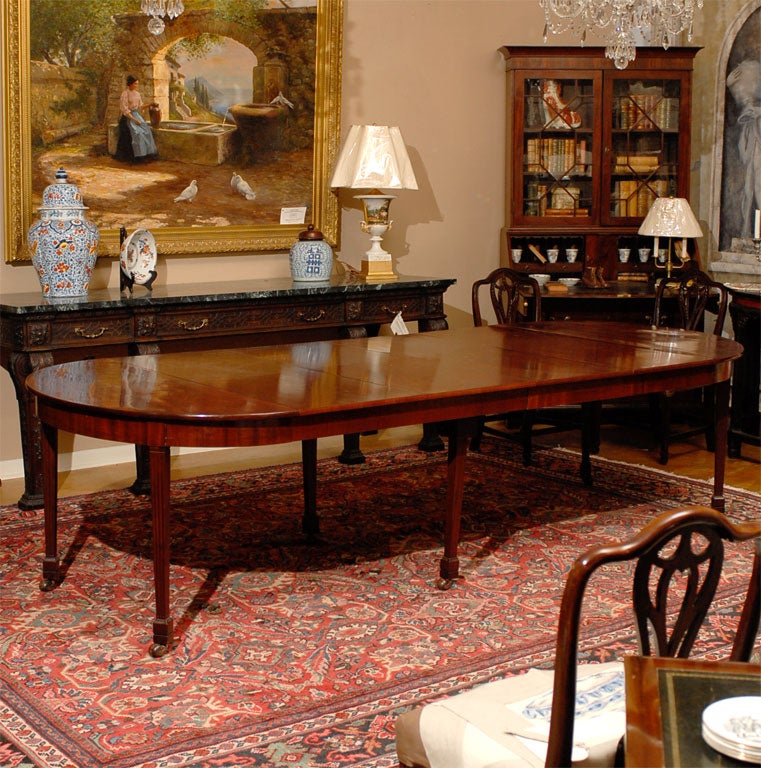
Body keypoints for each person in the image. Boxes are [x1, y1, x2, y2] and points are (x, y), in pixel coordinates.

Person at [726, 58, 761, 238]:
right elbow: (746, 100)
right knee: (749, 189)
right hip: (754, 144)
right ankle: (746, 231)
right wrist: (732, 86)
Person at [115, 75, 158, 163]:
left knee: (146, 130)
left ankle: (147, 154)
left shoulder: (137, 94)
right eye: (135, 84)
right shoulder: (125, 93)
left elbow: (141, 106)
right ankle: (138, 156)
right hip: (128, 117)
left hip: (136, 115)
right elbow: (125, 110)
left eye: (137, 84)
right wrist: (134, 120)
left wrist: (150, 104)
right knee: (137, 133)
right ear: (130, 84)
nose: (136, 86)